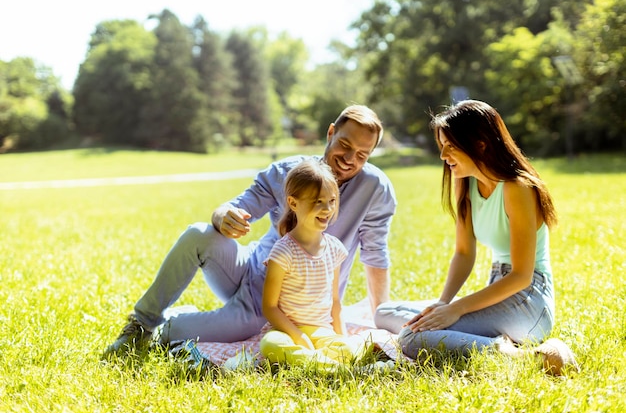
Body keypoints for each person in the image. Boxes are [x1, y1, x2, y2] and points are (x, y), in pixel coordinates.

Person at [104, 104, 397, 355]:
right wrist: (223, 216)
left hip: (283, 302)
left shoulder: (375, 189)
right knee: (198, 233)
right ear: (331, 132)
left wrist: (380, 317)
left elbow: (375, 255)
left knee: (181, 331)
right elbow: (234, 207)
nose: (350, 159)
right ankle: (142, 323)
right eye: (345, 145)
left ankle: (178, 320)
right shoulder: (285, 172)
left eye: (362, 154)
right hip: (250, 271)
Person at [375, 100, 578, 376]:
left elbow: (521, 276)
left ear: (480, 144)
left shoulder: (516, 188)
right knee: (384, 312)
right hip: (497, 291)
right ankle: (487, 340)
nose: (443, 155)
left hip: (529, 302)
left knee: (411, 338)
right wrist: (444, 303)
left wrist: (456, 310)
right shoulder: (466, 182)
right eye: (442, 145)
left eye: (450, 145)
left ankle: (526, 357)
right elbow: (463, 253)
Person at [260, 159, 361, 365]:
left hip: (321, 331)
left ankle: (317, 363)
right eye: (317, 202)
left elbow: (335, 302)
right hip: (286, 331)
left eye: (331, 201)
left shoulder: (334, 249)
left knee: (349, 350)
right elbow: (269, 307)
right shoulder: (283, 251)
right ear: (293, 203)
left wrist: (342, 338)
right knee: (270, 345)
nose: (327, 209)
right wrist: (299, 337)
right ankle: (330, 367)